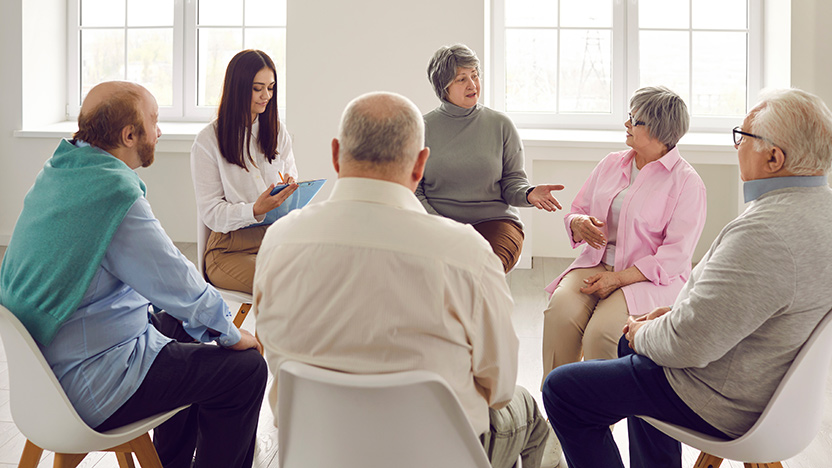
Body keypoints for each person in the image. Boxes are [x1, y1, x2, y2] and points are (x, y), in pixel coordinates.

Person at [254, 91, 552, 468]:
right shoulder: (468, 254)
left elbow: (271, 347)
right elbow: (501, 386)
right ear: (420, 164)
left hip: (320, 452)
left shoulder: (279, 241)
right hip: (439, 455)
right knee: (528, 410)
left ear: (335, 154)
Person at [541, 88, 832, 468]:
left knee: (564, 390)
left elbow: (688, 346)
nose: (736, 147)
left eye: (742, 137)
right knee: (616, 341)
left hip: (721, 396)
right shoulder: (816, 214)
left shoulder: (764, 232)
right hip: (764, 387)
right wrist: (662, 322)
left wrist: (641, 330)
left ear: (774, 157)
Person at [0, 81, 267, 468]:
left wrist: (208, 323)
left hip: (47, 377)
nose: (159, 132)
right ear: (129, 135)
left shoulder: (63, 172)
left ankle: (172, 462)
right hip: (95, 384)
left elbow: (169, 286)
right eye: (154, 121)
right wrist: (229, 329)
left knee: (182, 322)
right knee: (245, 369)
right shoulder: (113, 196)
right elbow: (176, 278)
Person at [541, 86, 706, 383]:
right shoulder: (611, 163)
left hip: (647, 278)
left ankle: (594, 420)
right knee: (559, 315)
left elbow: (675, 257)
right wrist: (577, 222)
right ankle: (557, 407)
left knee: (602, 335)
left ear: (659, 130)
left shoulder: (687, 183)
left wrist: (617, 279)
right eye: (629, 116)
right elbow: (578, 208)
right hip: (596, 263)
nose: (627, 124)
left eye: (636, 120)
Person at [418, 43, 565, 272]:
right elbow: (414, 190)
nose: (472, 84)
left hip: (494, 222)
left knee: (483, 273)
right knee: (440, 277)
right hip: (439, 223)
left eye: (475, 76)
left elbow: (512, 182)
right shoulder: (421, 128)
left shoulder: (500, 125)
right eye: (461, 79)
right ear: (443, 86)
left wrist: (528, 193)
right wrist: (439, 226)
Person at [191, 49, 298, 294]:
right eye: (257, 88)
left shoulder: (277, 131)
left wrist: (290, 190)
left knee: (322, 275)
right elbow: (211, 213)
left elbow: (292, 184)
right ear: (238, 88)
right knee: (286, 287)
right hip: (229, 249)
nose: (266, 96)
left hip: (274, 239)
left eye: (271, 88)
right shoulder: (208, 141)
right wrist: (254, 210)